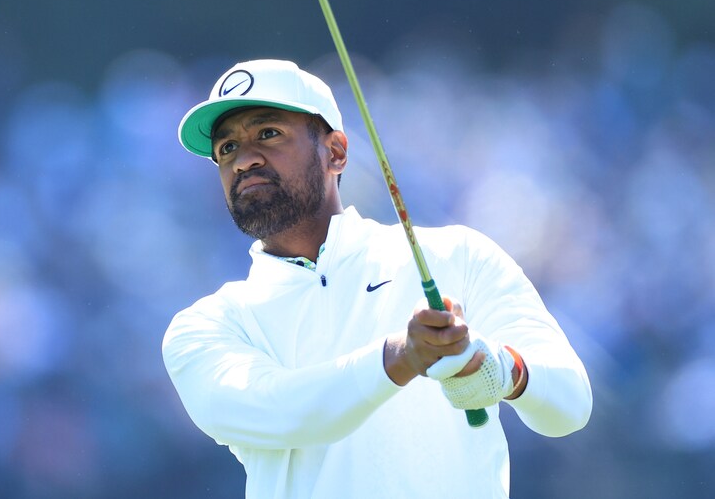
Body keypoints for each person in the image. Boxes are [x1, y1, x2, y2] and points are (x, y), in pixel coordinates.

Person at [162, 58, 592, 499]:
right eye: (227, 148)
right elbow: (279, 409)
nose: (243, 160)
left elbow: (570, 406)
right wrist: (402, 356)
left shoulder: (456, 255)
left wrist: (500, 369)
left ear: (335, 152)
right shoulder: (206, 326)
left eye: (268, 134)